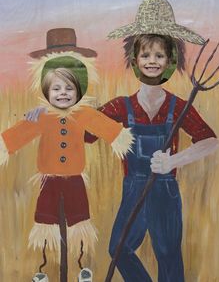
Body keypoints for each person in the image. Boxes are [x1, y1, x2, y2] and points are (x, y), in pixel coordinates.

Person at [26, 0, 219, 281]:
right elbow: (84, 131)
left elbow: (210, 140)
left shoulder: (178, 107)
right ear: (135, 58)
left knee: (167, 255)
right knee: (119, 249)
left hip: (165, 191)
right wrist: (51, 111)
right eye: (145, 55)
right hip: (133, 190)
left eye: (159, 55)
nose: (151, 61)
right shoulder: (120, 107)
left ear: (170, 59)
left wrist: (174, 160)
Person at [0, 56, 133, 263]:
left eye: (69, 88)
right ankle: (44, 266)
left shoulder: (84, 114)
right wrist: (4, 145)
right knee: (46, 222)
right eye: (56, 88)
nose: (63, 93)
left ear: (78, 91)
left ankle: (80, 265)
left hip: (75, 181)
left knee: (79, 220)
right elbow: (18, 135)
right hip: (49, 182)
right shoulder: (42, 117)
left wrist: (121, 139)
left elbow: (107, 129)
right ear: (47, 92)